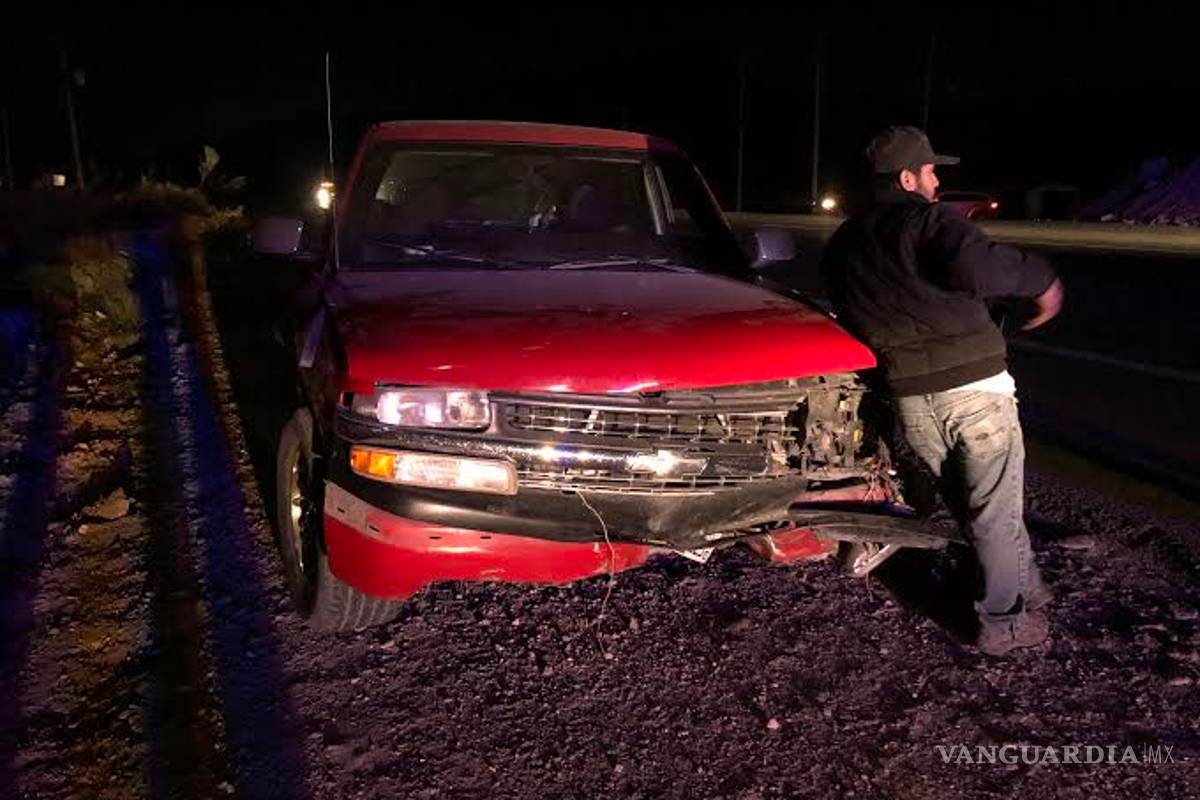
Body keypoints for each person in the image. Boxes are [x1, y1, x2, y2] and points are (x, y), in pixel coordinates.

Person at [820, 125, 1064, 656]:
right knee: (994, 509)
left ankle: (1028, 586)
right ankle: (1004, 625)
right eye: (931, 172)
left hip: (912, 400)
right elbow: (979, 267)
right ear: (908, 178)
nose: (936, 183)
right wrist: (1043, 279)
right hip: (976, 393)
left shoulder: (844, 243)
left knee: (978, 506)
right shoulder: (927, 221)